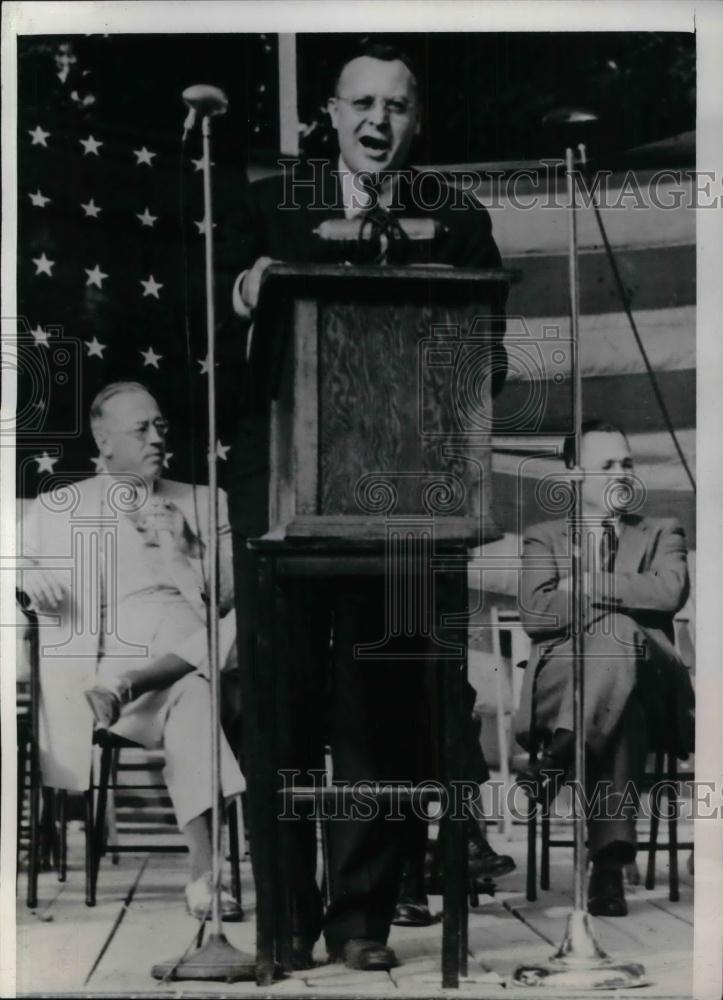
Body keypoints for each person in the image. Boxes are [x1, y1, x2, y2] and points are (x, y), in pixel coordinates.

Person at [219, 40, 509, 971]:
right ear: (331, 117)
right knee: (276, 706)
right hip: (279, 504)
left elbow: (484, 355)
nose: (377, 122)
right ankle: (280, 924)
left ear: (414, 121)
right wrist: (249, 290)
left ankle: (360, 923)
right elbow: (227, 330)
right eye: (360, 105)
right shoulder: (270, 206)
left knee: (380, 714)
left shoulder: (455, 220)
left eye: (395, 106)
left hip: (398, 506)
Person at [19, 381, 245, 920]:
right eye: (141, 429)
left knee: (237, 630)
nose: (157, 438)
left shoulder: (204, 500)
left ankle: (128, 688)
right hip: (123, 650)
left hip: (200, 647)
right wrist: (29, 578)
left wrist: (194, 548)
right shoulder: (60, 506)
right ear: (104, 439)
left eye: (161, 426)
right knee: (193, 696)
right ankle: (205, 879)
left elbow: (234, 597)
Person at [513, 420, 695, 917]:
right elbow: (535, 611)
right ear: (575, 475)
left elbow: (668, 591)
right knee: (622, 699)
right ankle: (609, 866)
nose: (621, 474)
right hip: (565, 681)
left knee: (619, 646)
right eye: (607, 465)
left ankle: (558, 761)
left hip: (652, 683)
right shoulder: (544, 536)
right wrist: (622, 602)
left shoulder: (662, 530)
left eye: (627, 463)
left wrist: (587, 585)